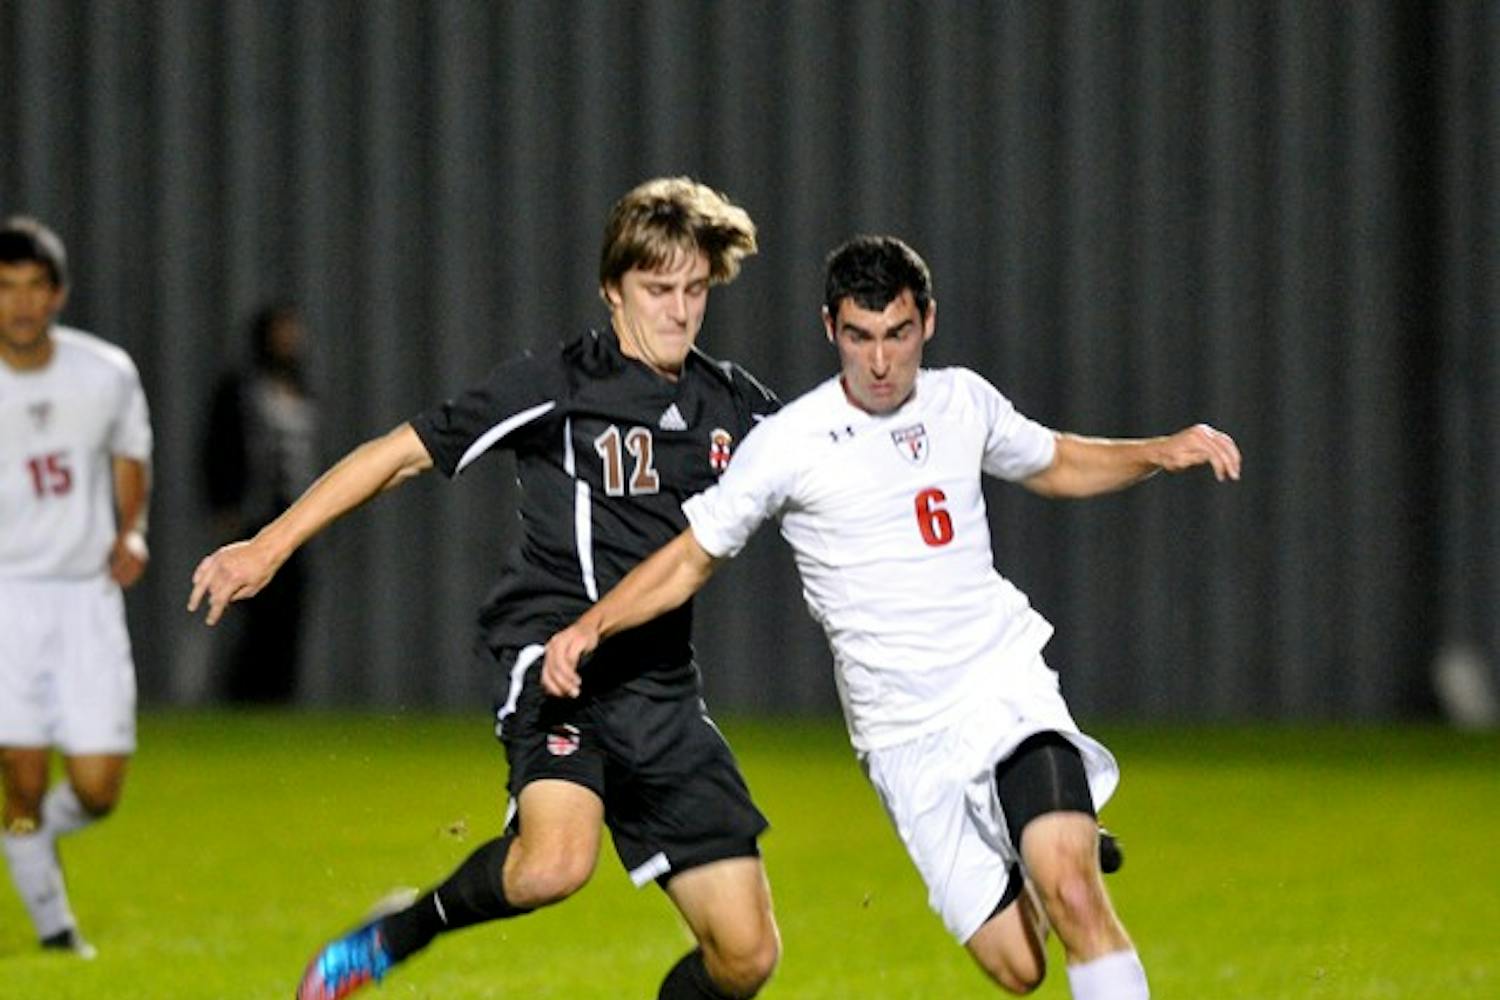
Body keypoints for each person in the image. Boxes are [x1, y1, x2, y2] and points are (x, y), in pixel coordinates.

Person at [544, 235, 1243, 999]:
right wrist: (592, 625)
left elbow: (1057, 461)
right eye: (860, 337)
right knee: (1020, 969)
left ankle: (1046, 830)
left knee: (1073, 893)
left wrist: (1160, 450)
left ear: (928, 323)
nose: (880, 362)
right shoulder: (788, 444)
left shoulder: (962, 402)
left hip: (1000, 686)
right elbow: (689, 558)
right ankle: (1029, 831)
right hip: (903, 737)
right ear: (830, 329)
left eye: (898, 335)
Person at [188, 177, 783, 1000]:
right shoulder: (559, 384)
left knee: (747, 956)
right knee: (554, 866)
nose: (678, 311)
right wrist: (271, 542)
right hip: (554, 656)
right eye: (657, 289)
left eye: (694, 290)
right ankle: (398, 933)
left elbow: (836, 475)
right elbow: (398, 453)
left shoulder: (735, 406)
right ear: (613, 290)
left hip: (662, 688)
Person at [0, 216, 153, 959]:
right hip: (6, 599)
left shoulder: (105, 373)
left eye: (35, 287)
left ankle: (23, 843)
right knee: (22, 780)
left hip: (87, 599)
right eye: (6, 289)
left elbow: (130, 455)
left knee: (97, 789)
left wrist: (132, 531)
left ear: (57, 294)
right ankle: (58, 934)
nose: (22, 305)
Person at [201, 303, 319, 703]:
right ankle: (243, 699)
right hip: (255, 517)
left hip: (296, 518)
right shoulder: (242, 388)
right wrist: (225, 508)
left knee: (290, 615)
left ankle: (279, 699)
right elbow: (218, 449)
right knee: (255, 615)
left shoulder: (301, 389)